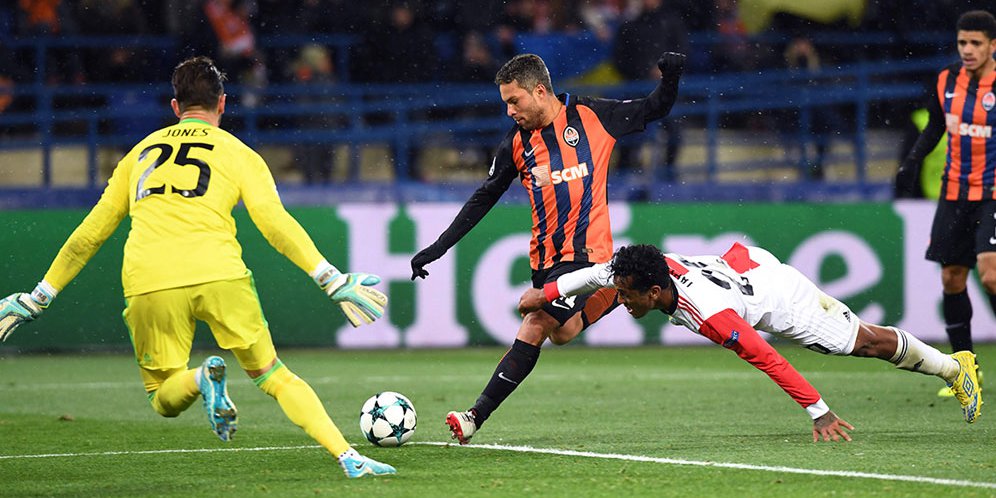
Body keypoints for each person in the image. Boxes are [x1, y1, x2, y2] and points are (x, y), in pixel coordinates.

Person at [0, 57, 396, 479]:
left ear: (175, 107)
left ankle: (200, 378)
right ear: (223, 103)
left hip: (149, 278)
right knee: (274, 374)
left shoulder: (138, 155)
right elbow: (274, 223)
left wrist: (39, 294)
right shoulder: (239, 153)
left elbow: (89, 235)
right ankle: (347, 456)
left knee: (162, 396)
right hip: (219, 272)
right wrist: (329, 277)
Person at [410, 52, 686, 444]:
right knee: (564, 332)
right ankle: (616, 286)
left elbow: (655, 106)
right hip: (545, 261)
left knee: (537, 322)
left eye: (514, 100)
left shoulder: (594, 117)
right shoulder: (516, 144)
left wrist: (671, 75)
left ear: (540, 91)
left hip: (584, 256)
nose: (508, 111)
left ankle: (474, 416)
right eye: (505, 102)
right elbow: (483, 197)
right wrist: (438, 247)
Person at [519, 243, 984, 439]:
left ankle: (953, 367)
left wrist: (819, 412)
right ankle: (950, 365)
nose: (619, 300)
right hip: (744, 264)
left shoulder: (711, 317)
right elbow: (590, 275)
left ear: (655, 293)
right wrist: (547, 293)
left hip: (779, 298)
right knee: (858, 341)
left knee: (861, 344)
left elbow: (767, 357)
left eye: (625, 296)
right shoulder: (640, 266)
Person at [894, 10, 995, 398]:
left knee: (990, 274)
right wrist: (912, 162)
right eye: (962, 43)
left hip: (992, 193)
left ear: (992, 46)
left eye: (975, 43)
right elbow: (936, 125)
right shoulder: (945, 80)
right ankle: (966, 369)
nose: (967, 50)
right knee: (952, 278)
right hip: (953, 193)